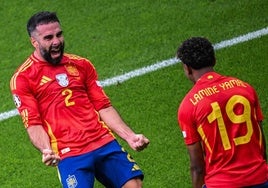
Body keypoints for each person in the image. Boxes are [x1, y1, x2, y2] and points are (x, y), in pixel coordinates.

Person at [10, 11, 149, 188]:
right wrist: (46, 149)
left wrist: (130, 136)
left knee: (134, 185)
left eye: (59, 34)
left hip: (103, 141)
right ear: (34, 42)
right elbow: (33, 123)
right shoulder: (23, 77)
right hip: (68, 153)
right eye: (48, 37)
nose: (56, 42)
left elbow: (103, 106)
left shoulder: (81, 65)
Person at [176, 37, 268, 188]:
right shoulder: (245, 89)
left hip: (222, 184)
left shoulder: (188, 105)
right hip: (260, 178)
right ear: (214, 60)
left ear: (187, 68)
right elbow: (261, 144)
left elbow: (197, 167)